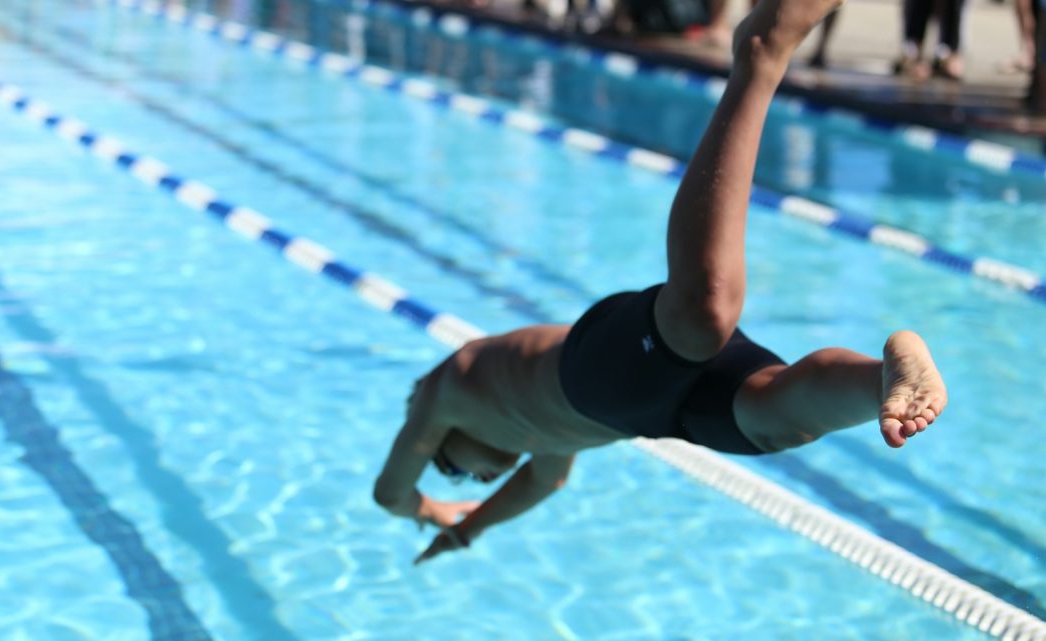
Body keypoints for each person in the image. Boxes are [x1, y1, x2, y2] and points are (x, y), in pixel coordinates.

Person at [373, 0, 948, 564]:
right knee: (776, 419)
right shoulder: (541, 441)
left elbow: (389, 493)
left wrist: (427, 510)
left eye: (452, 467)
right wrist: (468, 528)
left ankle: (759, 55)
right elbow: (539, 485)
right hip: (650, 412)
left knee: (705, 313)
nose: (472, 474)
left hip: (597, 370)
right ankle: (883, 379)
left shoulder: (443, 391)